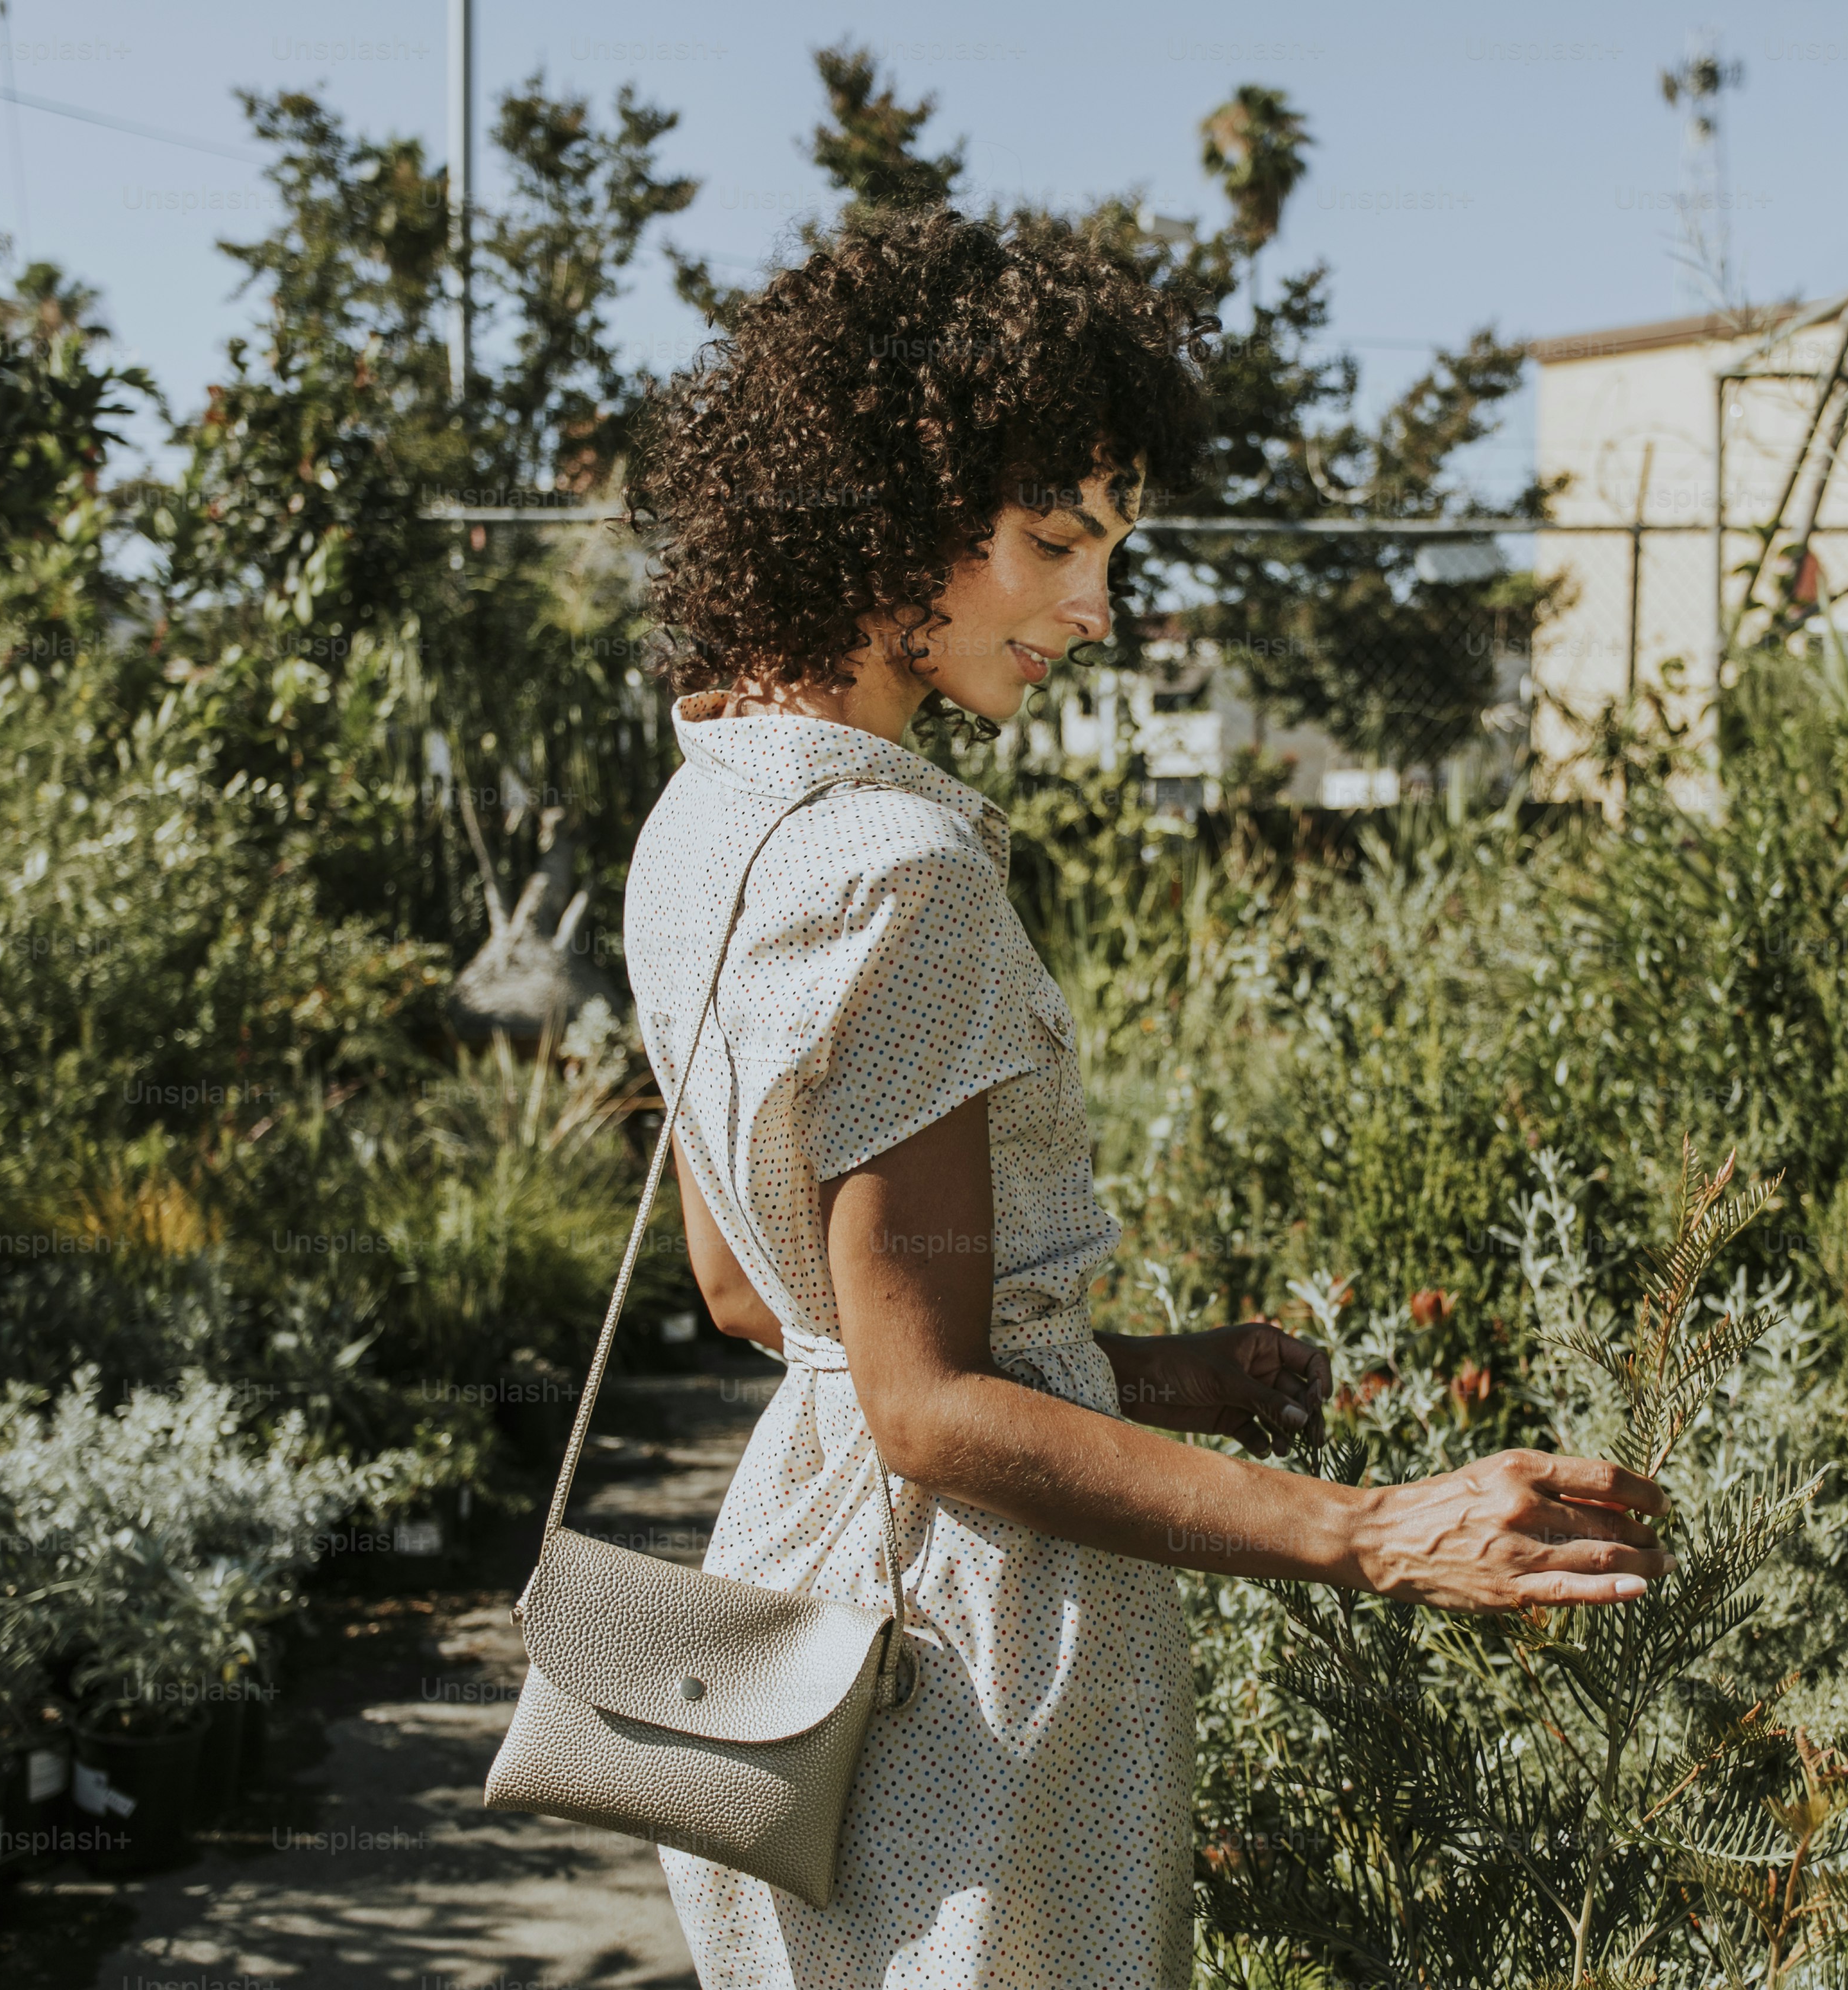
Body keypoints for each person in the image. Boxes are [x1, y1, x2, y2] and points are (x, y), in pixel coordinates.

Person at [620, 205, 1669, 1989]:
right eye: (1055, 542)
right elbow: (928, 1409)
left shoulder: (703, 814)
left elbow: (757, 1294)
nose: (1099, 611)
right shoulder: (896, 871)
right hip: (965, 1682)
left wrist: (1170, 1378)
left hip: (774, 1680)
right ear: (885, 515)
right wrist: (1374, 1530)